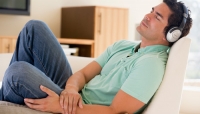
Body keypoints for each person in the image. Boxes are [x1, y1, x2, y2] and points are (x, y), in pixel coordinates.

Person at [0, 0, 192, 114]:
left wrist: (61, 106)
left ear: (171, 34)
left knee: (18, 73)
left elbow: (116, 112)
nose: (148, 15)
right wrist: (71, 90)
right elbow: (82, 75)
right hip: (72, 98)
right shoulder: (123, 46)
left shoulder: (151, 65)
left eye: (157, 17)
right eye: (152, 10)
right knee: (34, 28)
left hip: (80, 110)